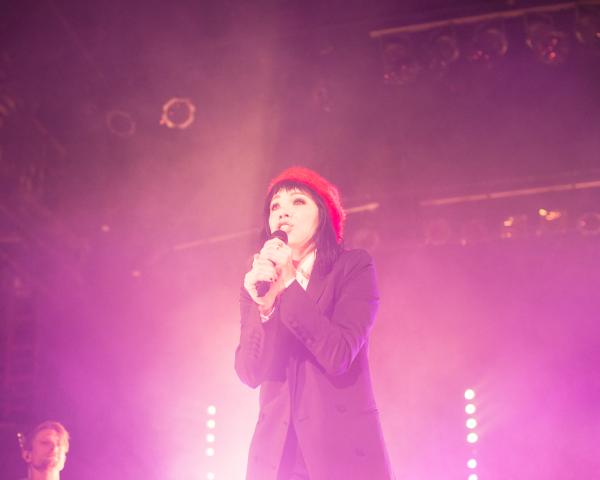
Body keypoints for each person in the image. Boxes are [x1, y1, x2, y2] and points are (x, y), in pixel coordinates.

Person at [235, 166, 394, 480]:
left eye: (297, 202)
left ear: (323, 214)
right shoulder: (258, 280)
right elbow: (249, 372)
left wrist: (289, 283)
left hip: (340, 452)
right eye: (275, 206)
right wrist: (264, 307)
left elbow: (339, 354)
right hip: (277, 459)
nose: (283, 213)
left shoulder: (352, 267)